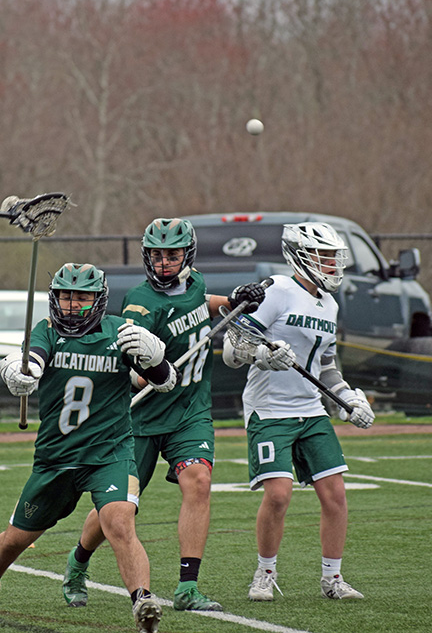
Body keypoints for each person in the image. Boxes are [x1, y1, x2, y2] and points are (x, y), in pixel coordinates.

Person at [0, 263, 177, 633]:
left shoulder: (121, 333)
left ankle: (143, 602)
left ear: (98, 300)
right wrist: (16, 373)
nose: (71, 304)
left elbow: (164, 383)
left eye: (81, 297)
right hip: (56, 458)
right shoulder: (46, 331)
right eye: (66, 295)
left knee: (119, 521)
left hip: (109, 452)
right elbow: (30, 363)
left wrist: (157, 359)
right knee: (13, 541)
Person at [61, 218, 266, 612]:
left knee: (198, 481)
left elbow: (200, 304)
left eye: (171, 254)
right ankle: (78, 562)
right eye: (157, 254)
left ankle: (188, 587)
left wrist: (234, 301)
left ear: (186, 255)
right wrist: (151, 374)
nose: (164, 262)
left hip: (190, 412)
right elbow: (132, 367)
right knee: (119, 509)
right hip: (139, 420)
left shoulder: (197, 283)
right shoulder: (140, 303)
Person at [222, 221, 375, 602]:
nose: (331, 266)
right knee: (278, 495)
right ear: (301, 256)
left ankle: (332, 579)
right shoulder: (278, 290)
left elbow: (326, 366)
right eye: (324, 257)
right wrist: (261, 355)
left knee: (336, 494)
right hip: (269, 410)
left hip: (310, 410)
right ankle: (264, 573)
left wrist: (347, 399)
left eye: (332, 258)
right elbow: (231, 348)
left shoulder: (330, 304)